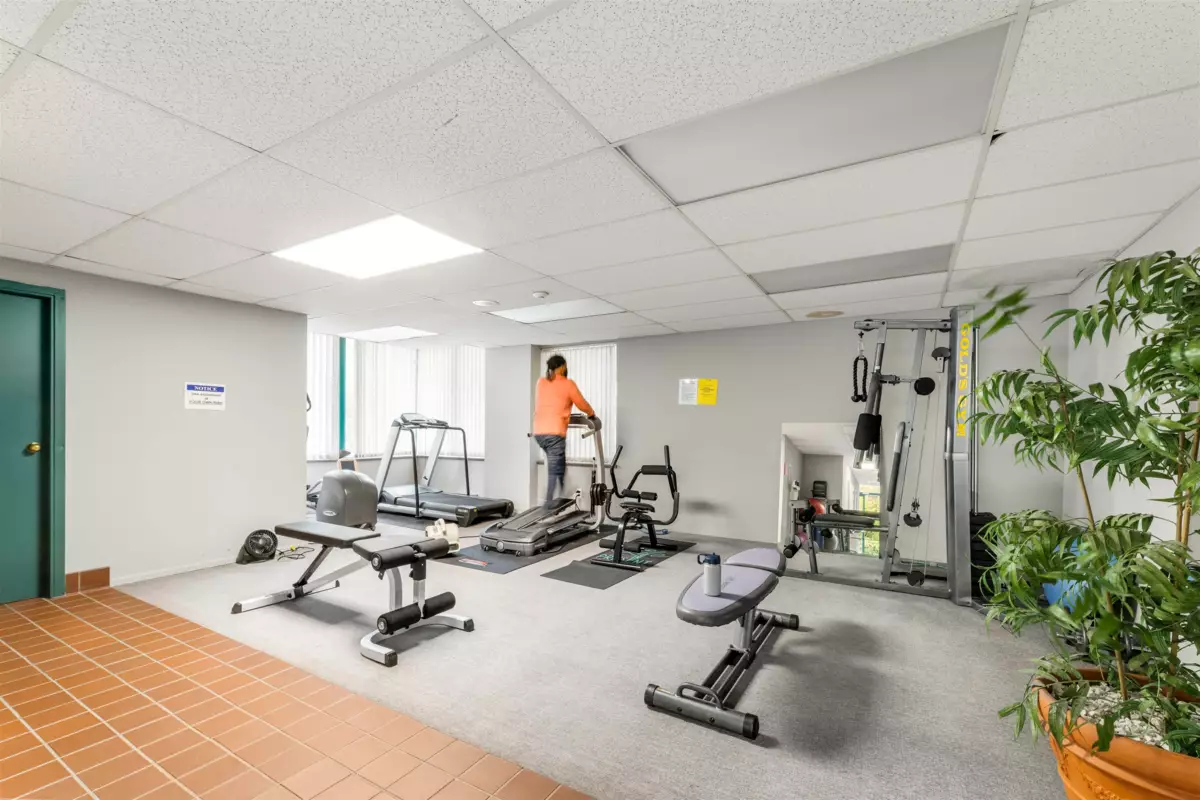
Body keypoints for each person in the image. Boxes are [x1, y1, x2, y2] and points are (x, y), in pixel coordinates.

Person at [533, 354, 595, 507]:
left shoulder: (541, 382)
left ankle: (561, 491)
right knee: (554, 470)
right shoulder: (568, 384)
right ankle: (549, 503)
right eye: (565, 366)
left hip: (539, 433)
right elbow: (581, 403)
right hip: (554, 434)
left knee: (558, 463)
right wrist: (592, 414)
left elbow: (549, 403)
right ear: (561, 367)